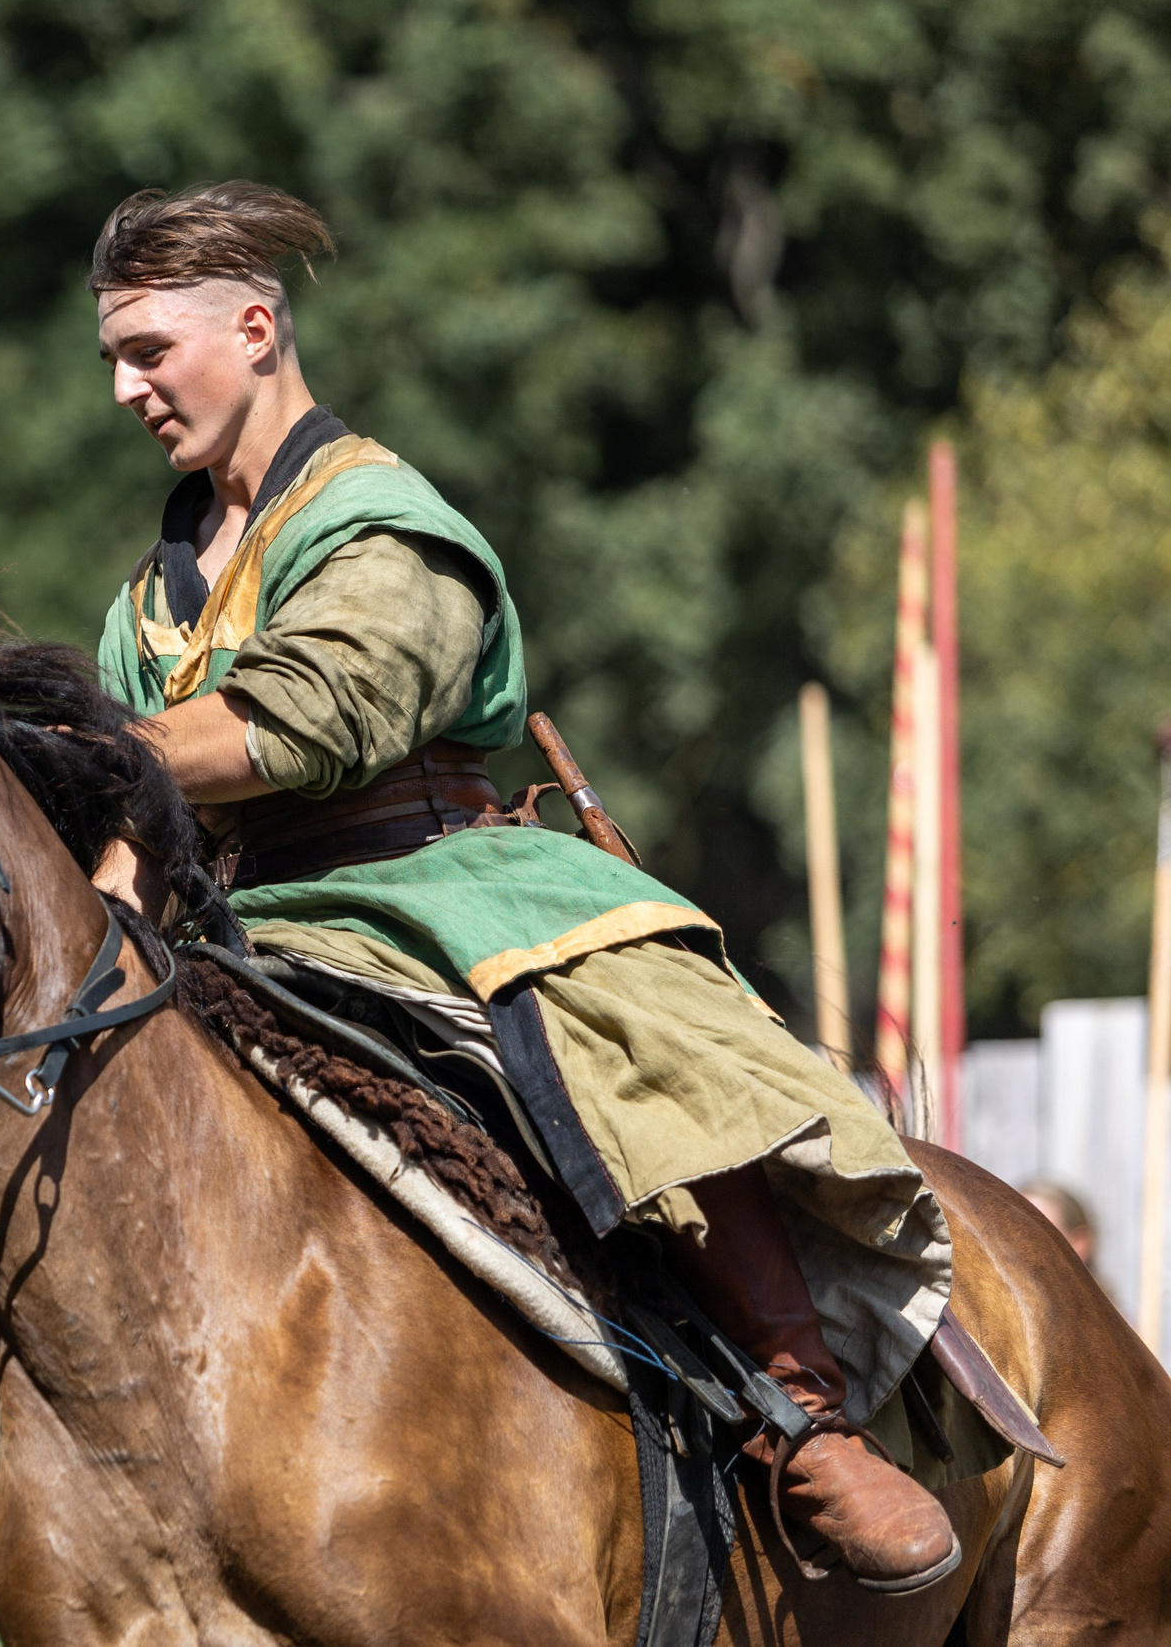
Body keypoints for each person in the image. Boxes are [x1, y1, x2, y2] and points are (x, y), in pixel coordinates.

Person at [86, 182, 958, 1590]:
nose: (128, 388)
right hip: (240, 913)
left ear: (253, 327)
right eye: (113, 360)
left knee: (645, 1059)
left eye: (149, 350)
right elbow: (139, 796)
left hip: (433, 876)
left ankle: (807, 1416)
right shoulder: (151, 594)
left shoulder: (381, 517)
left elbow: (309, 717)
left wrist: (80, 739)